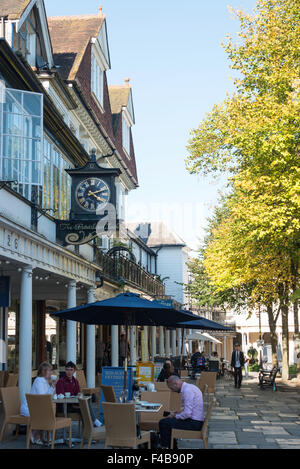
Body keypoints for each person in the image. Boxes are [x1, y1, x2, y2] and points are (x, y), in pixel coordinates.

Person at [158, 375, 204, 449]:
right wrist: (177, 412)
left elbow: (187, 413)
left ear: (176, 383)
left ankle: (166, 446)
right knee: (167, 422)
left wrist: (175, 416)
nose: (172, 390)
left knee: (163, 423)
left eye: (171, 388)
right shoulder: (189, 387)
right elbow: (188, 409)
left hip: (194, 423)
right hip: (196, 421)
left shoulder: (187, 391)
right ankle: (171, 446)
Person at [56, 361, 102, 427]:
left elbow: (78, 393)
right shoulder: (61, 381)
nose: (69, 372)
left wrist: (78, 394)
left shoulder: (75, 381)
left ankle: (89, 427)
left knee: (86, 403)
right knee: (85, 407)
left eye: (71, 370)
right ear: (65, 371)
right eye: (67, 370)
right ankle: (93, 423)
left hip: (73, 405)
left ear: (74, 371)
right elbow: (61, 396)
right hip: (64, 406)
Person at [20, 361, 56, 445]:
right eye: (49, 370)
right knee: (46, 413)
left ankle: (39, 434)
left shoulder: (45, 381)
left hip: (37, 407)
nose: (51, 373)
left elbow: (48, 396)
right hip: (29, 408)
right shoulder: (39, 381)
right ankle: (36, 434)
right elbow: (42, 397)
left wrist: (52, 386)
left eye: (51, 371)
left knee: (47, 412)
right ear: (44, 371)